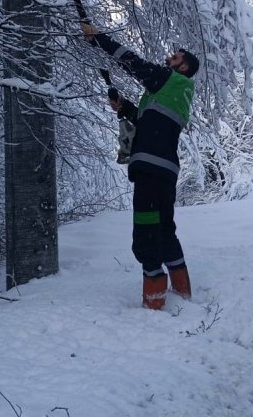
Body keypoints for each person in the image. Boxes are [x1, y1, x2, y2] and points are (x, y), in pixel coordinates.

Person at [83, 22, 199, 310]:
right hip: (165, 170)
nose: (168, 58)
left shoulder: (171, 80)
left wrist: (99, 38)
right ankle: (182, 291)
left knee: (146, 233)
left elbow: (132, 62)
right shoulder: (177, 93)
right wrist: (124, 107)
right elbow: (148, 122)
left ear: (183, 67)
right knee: (165, 230)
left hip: (150, 169)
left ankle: (154, 303)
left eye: (175, 57)